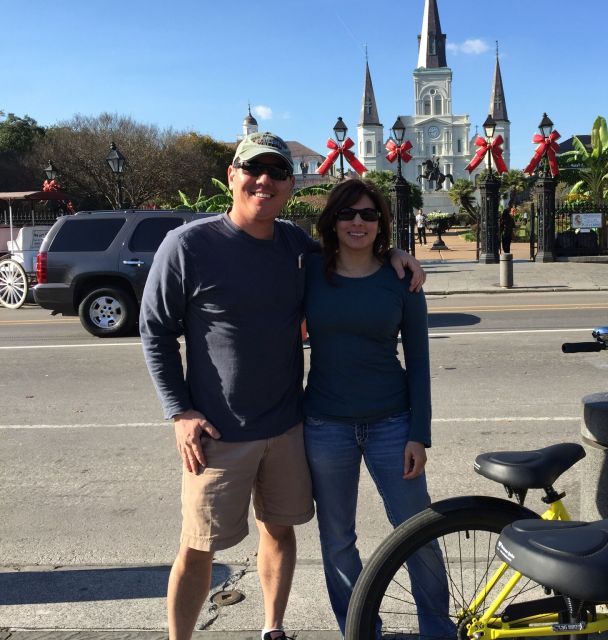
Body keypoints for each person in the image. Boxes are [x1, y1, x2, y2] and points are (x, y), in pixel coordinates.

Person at [139, 132, 424, 640]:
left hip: (290, 425)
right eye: (254, 170)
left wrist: (397, 252)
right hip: (217, 432)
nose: (264, 181)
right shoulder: (189, 245)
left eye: (277, 173)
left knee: (280, 529)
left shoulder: (296, 247)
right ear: (233, 175)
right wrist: (178, 411)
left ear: (291, 185)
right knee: (198, 544)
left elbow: (352, 242)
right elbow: (155, 331)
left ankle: (274, 627)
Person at [302, 178, 453, 637]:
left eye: (369, 214)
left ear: (381, 224)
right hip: (326, 426)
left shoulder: (401, 278)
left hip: (392, 423)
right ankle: (359, 627)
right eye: (348, 213)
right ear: (332, 221)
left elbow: (421, 360)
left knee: (417, 531)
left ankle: (435, 626)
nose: (358, 222)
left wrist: (419, 434)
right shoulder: (308, 271)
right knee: (337, 539)